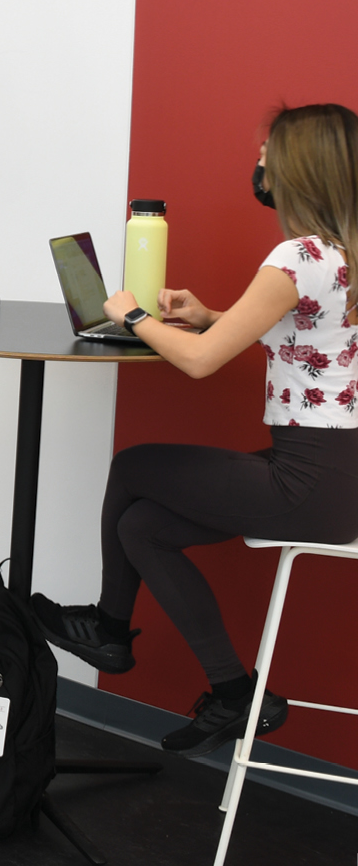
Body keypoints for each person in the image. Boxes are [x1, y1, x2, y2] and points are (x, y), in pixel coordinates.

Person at [32, 104, 358, 757]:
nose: (259, 162)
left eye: (268, 152)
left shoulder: (296, 256)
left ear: (297, 170)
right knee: (142, 526)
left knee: (131, 466)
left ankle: (110, 629)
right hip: (334, 478)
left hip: (306, 478)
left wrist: (128, 316)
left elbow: (202, 363)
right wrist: (206, 312)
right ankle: (238, 694)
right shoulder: (338, 256)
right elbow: (294, 335)